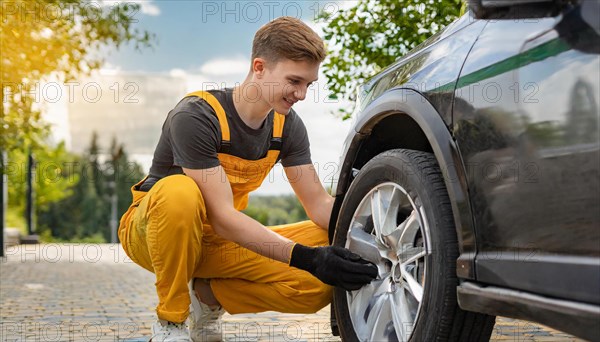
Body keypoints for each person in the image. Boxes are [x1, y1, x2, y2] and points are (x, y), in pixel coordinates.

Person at [118, 16, 378, 341]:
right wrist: (306, 258)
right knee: (179, 193)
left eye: (308, 84)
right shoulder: (196, 116)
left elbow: (319, 205)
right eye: (294, 81)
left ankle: (207, 297)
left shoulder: (288, 128)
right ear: (259, 67)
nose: (301, 94)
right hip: (152, 235)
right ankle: (171, 321)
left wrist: (370, 231)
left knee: (323, 270)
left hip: (218, 244)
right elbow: (225, 217)